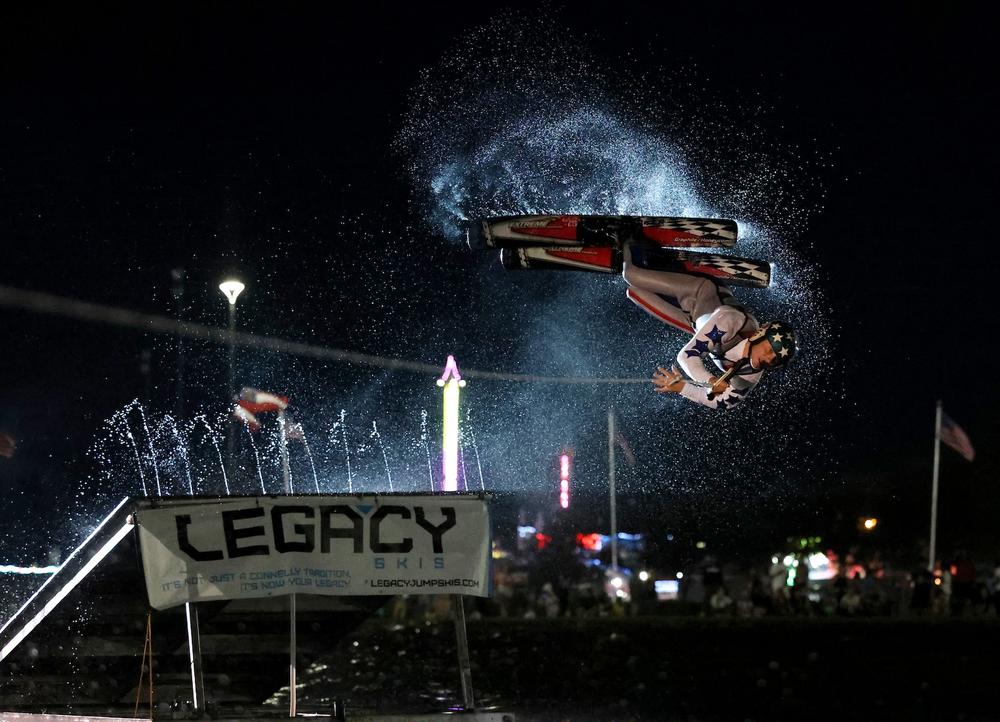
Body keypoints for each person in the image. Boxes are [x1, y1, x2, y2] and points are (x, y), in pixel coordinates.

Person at [621, 246, 796, 408]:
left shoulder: (750, 376)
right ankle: (629, 238)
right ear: (760, 334)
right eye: (769, 349)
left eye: (774, 359)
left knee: (633, 292)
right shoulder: (732, 322)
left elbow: (720, 403)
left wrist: (682, 388)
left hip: (690, 319)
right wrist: (710, 380)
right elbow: (687, 356)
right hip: (698, 291)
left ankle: (654, 260)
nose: (767, 358)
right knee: (631, 275)